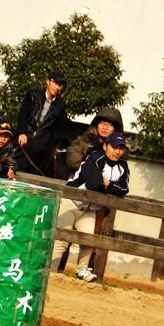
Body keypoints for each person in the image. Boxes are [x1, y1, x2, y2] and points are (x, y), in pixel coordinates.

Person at [51, 132, 130, 282]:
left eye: (120, 148)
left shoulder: (123, 166)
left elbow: (124, 189)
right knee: (62, 239)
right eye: (114, 147)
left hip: (89, 210)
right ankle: (52, 271)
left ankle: (81, 270)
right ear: (106, 146)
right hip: (70, 203)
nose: (117, 151)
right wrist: (109, 186)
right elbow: (92, 183)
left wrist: (107, 184)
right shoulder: (95, 157)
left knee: (89, 240)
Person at [15, 70, 68, 177]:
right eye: (55, 83)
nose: (57, 87)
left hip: (40, 146)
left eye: (60, 85)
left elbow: (56, 133)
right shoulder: (32, 95)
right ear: (47, 81)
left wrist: (49, 149)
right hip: (23, 139)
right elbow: (22, 115)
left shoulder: (60, 106)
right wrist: (22, 133)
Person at [66, 107, 123, 177]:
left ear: (115, 129)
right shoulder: (82, 141)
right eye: (102, 123)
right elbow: (73, 162)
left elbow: (119, 172)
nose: (105, 128)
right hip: (78, 180)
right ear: (96, 125)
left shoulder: (119, 149)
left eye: (110, 125)